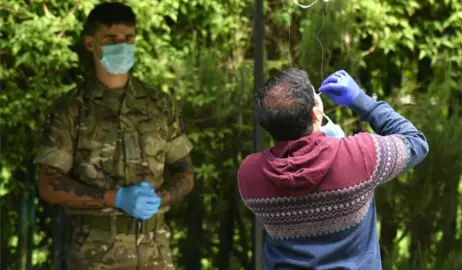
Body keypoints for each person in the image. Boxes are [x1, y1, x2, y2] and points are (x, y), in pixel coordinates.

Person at [34, 2, 194, 269]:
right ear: (90, 43)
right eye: (111, 38)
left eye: (128, 38)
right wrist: (115, 199)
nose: (122, 44)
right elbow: (48, 184)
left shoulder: (159, 105)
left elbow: (186, 174)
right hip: (95, 255)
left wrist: (161, 198)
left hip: (156, 253)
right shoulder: (71, 109)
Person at [237, 68, 429, 269]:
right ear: (315, 113)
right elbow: (416, 142)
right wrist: (363, 102)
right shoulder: (361, 155)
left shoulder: (249, 175)